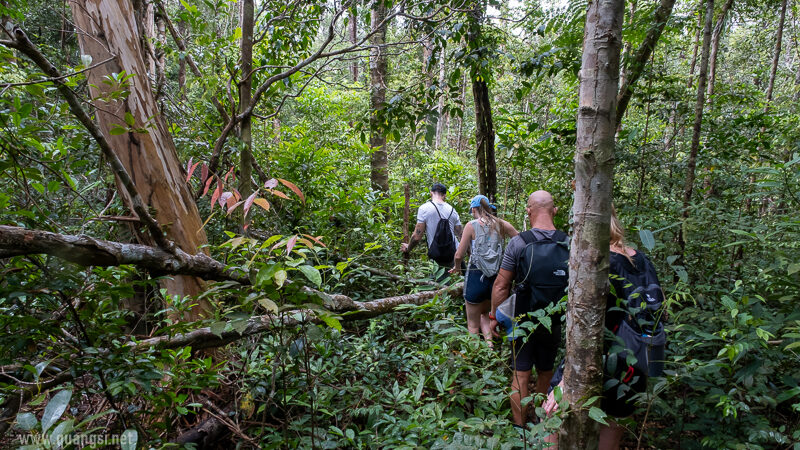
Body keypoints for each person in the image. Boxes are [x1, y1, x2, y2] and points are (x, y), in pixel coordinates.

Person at [542, 208, 655, 449]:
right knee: (612, 426)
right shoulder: (642, 260)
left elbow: (592, 327)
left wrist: (564, 381)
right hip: (636, 365)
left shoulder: (600, 263)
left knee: (550, 416)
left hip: (601, 359)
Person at [489, 190, 569, 427]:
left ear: (528, 211)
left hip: (522, 320)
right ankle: (540, 424)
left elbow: (501, 285)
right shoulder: (569, 243)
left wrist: (494, 316)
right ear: (555, 211)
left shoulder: (519, 242)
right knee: (546, 371)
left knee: (520, 374)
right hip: (553, 320)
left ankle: (519, 428)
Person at [449, 195, 517, 344]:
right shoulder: (502, 224)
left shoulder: (471, 225)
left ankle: (475, 355)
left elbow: (459, 255)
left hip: (476, 277)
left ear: (474, 209)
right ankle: (490, 347)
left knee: (473, 325)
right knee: (485, 314)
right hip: (496, 279)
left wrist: (457, 267)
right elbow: (519, 240)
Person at [401, 183, 463, 277]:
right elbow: (461, 235)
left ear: (431, 193)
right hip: (452, 254)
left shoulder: (424, 208)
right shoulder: (452, 210)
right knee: (449, 281)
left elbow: (417, 237)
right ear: (445, 195)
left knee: (437, 282)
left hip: (437, 255)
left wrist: (408, 248)